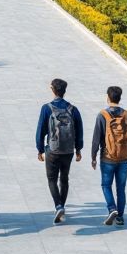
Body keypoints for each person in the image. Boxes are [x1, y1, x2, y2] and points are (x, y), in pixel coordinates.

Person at [90, 85, 127, 226]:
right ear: (120, 98)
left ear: (108, 98)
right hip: (125, 158)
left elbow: (96, 139)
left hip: (108, 157)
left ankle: (112, 208)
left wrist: (93, 157)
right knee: (121, 188)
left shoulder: (102, 115)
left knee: (106, 185)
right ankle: (120, 217)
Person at [36, 78, 84, 224]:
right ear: (64, 91)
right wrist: (78, 149)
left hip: (52, 150)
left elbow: (41, 130)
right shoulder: (73, 109)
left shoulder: (47, 108)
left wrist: (39, 149)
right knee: (64, 178)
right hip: (68, 150)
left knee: (51, 179)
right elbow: (79, 130)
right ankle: (61, 207)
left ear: (52, 90)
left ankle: (58, 206)